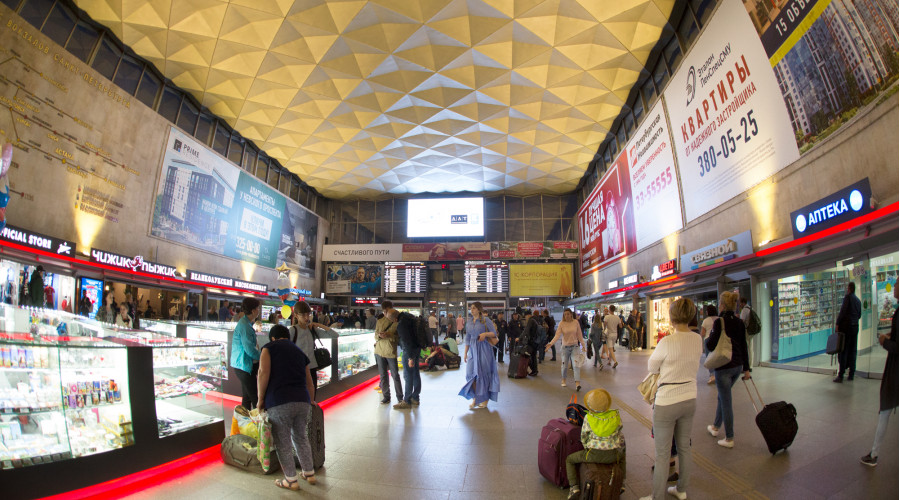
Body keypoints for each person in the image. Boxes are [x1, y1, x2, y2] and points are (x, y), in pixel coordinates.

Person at [640, 298, 702, 500]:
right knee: (684, 447)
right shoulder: (697, 339)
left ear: (672, 317)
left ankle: (657, 496)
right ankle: (681, 490)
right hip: (690, 398)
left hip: (667, 401)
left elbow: (652, 367)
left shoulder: (667, 342)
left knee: (663, 453)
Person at [256, 324, 318, 490]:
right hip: (302, 400)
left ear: (273, 338)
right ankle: (309, 472)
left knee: (283, 441)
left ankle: (291, 479)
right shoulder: (299, 352)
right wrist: (310, 401)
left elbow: (263, 373)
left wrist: (260, 399)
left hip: (279, 400)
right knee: (300, 437)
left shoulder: (268, 348)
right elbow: (310, 382)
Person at [705, 291, 750, 448]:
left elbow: (710, 345)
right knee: (723, 397)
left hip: (723, 367)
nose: (718, 305)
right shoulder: (738, 322)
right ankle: (716, 427)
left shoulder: (720, 322)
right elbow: (744, 346)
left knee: (726, 400)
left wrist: (709, 337)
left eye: (719, 303)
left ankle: (729, 438)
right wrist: (747, 369)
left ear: (723, 305)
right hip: (737, 367)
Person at [860, 284, 897, 467]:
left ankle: (874, 454)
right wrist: (892, 335)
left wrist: (884, 341)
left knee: (885, 410)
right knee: (885, 410)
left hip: (895, 372)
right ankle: (874, 452)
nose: (895, 286)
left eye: (898, 284)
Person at [565, 388, 626, 499]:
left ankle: (574, 487)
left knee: (570, 459)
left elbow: (584, 437)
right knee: (622, 457)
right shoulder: (615, 416)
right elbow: (620, 435)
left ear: (590, 406)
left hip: (593, 454)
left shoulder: (589, 417)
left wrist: (587, 448)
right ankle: (621, 484)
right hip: (613, 454)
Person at [459, 302, 500, 410]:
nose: (472, 310)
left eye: (474, 308)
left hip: (484, 349)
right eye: (471, 308)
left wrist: (485, 334)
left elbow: (494, 333)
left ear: (479, 310)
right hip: (472, 349)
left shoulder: (486, 320)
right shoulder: (469, 322)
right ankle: (477, 397)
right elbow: (467, 338)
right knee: (470, 374)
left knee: (482, 374)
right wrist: (465, 353)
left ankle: (482, 399)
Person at [289, 301, 328, 399]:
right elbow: (286, 349)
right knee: (299, 397)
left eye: (308, 314)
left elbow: (335, 335)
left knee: (312, 397)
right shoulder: (293, 330)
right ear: (296, 315)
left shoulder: (311, 329)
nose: (307, 317)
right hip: (298, 369)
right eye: (303, 315)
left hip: (311, 367)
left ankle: (311, 414)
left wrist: (318, 325)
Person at [231, 297, 262, 409]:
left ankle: (246, 422)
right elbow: (249, 349)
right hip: (243, 365)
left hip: (241, 365)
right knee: (255, 397)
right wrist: (262, 357)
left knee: (247, 397)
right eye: (257, 308)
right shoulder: (245, 326)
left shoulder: (246, 323)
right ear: (253, 310)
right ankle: (259, 423)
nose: (258, 310)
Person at [546, 309, 585, 390]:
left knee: (576, 365)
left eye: (568, 314)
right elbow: (557, 335)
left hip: (574, 346)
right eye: (565, 314)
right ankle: (563, 380)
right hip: (565, 347)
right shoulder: (561, 323)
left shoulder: (576, 322)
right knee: (564, 366)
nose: (566, 316)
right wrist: (550, 343)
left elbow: (579, 334)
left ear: (571, 314)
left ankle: (577, 384)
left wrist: (583, 345)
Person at [374, 302, 402, 405]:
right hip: (379, 351)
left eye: (387, 310)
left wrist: (389, 335)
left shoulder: (396, 322)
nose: (385, 312)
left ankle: (400, 397)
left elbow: (399, 338)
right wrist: (379, 336)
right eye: (384, 311)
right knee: (383, 375)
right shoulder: (379, 321)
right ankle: (386, 396)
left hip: (390, 351)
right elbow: (375, 335)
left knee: (395, 375)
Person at [834, 282, 862, 383]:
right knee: (853, 350)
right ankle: (851, 374)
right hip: (855, 327)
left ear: (849, 288)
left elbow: (843, 311)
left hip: (846, 328)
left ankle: (841, 375)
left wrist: (837, 323)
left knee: (843, 350)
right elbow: (859, 315)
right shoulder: (858, 301)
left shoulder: (848, 298)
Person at [394, 308, 422, 409]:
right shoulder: (410, 318)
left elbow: (406, 341)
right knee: (415, 373)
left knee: (408, 375)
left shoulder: (401, 324)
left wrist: (410, 357)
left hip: (409, 351)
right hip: (417, 348)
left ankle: (406, 400)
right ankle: (415, 398)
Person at [699, 305, 719, 385]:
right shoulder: (719, 319)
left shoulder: (706, 321)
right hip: (718, 340)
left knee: (709, 358)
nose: (706, 312)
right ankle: (718, 374)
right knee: (717, 357)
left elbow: (703, 333)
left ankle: (712, 375)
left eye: (707, 310)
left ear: (709, 311)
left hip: (708, 340)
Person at [520, 310, 540, 376]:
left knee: (528, 356)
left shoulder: (531, 321)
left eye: (525, 316)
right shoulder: (535, 320)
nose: (525, 318)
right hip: (536, 341)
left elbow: (526, 330)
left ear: (528, 315)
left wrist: (520, 338)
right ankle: (534, 370)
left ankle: (534, 370)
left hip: (532, 341)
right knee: (533, 356)